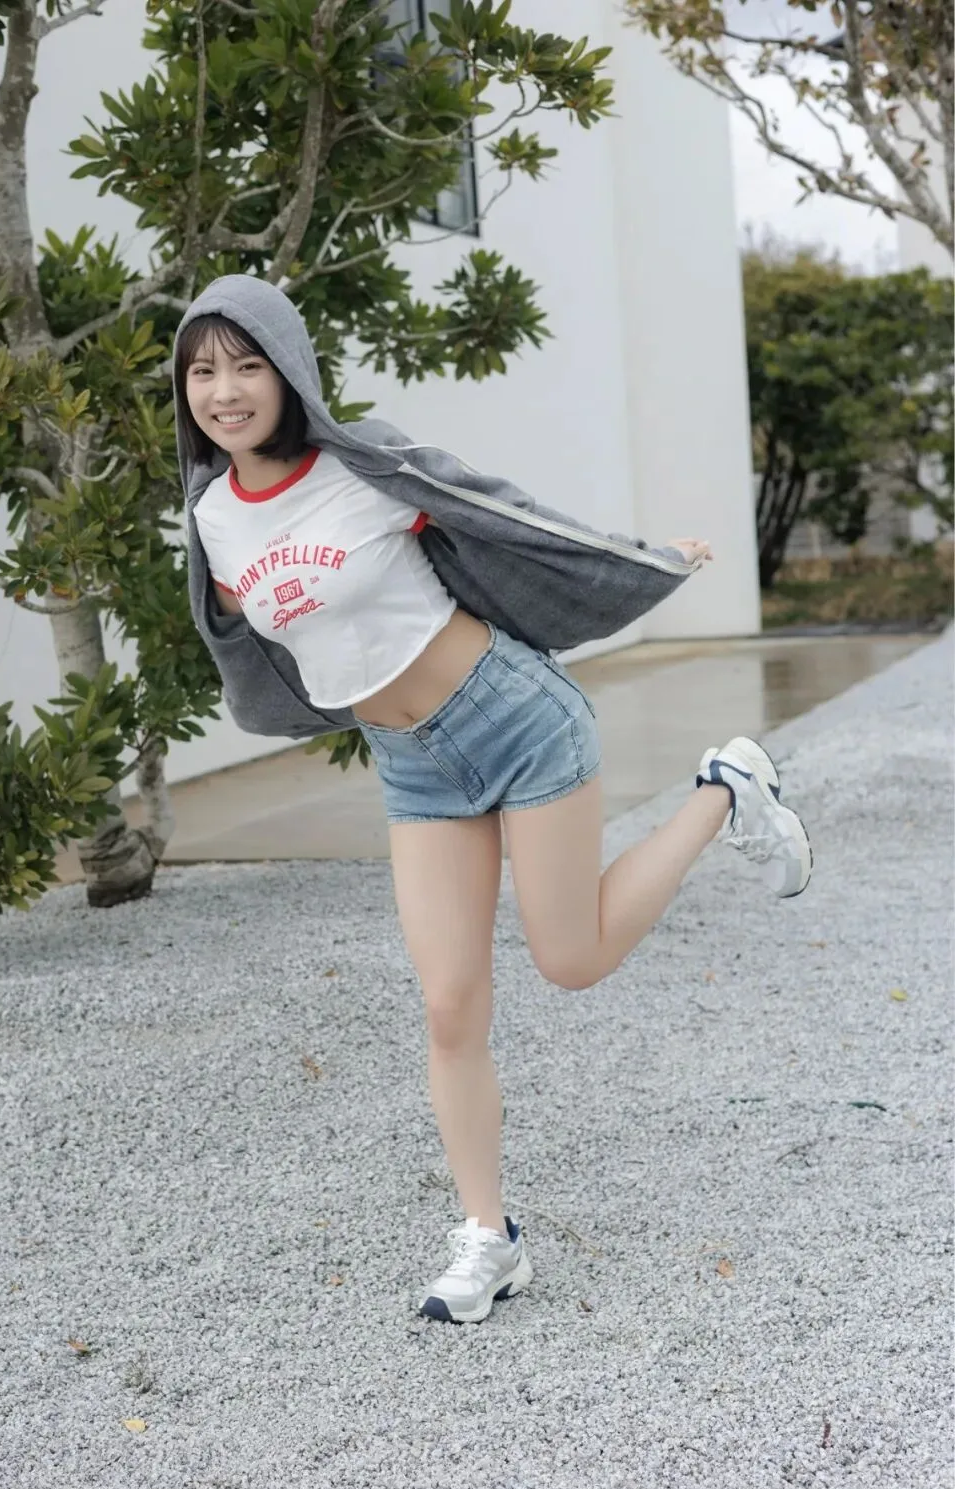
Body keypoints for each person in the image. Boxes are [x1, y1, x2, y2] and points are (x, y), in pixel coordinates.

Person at [172, 275, 813, 1325]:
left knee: (572, 957)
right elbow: (263, 642)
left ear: (288, 373)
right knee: (449, 1005)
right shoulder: (210, 520)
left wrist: (641, 562)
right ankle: (488, 1238)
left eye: (247, 365)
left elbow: (505, 519)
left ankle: (724, 789)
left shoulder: (364, 464)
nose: (225, 391)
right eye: (203, 371)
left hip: (512, 716)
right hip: (412, 765)